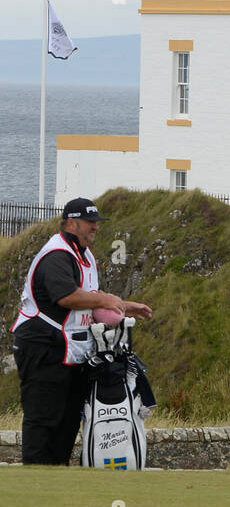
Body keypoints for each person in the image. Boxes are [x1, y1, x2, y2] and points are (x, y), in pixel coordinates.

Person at [10, 197, 152, 465]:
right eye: (90, 222)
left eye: (96, 223)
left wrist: (123, 306)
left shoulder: (84, 255)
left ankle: (57, 475)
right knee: (44, 419)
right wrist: (103, 299)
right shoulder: (57, 254)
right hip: (42, 346)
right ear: (72, 223)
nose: (95, 228)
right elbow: (66, 297)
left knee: (68, 420)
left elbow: (91, 297)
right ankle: (36, 482)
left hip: (71, 351)